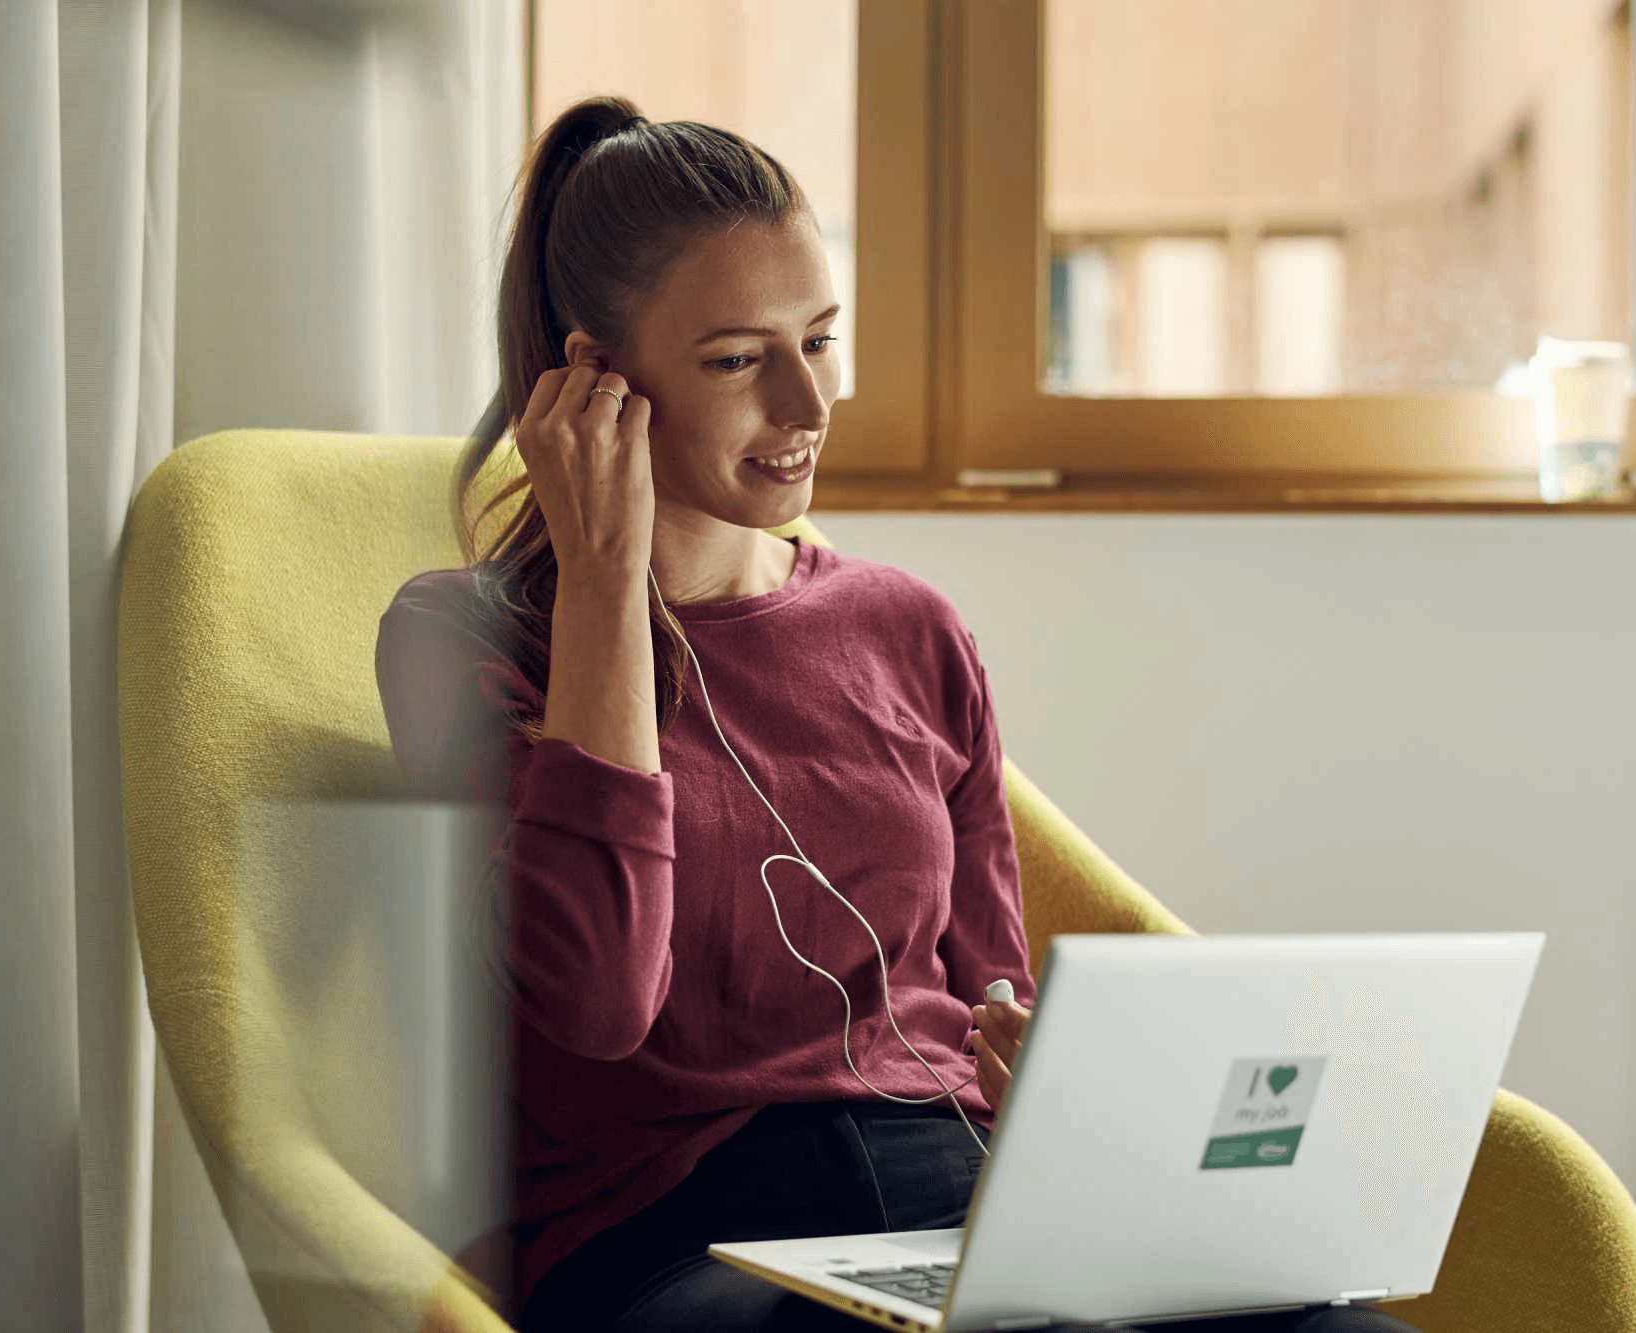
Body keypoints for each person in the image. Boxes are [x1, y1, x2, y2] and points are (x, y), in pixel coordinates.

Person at [375, 96, 1419, 1333]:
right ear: (591, 374)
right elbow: (595, 1000)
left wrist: (1066, 1095)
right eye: (734, 358)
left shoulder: (908, 628)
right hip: (672, 1240)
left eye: (818, 340)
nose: (807, 408)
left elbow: (990, 997)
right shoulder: (463, 638)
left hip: (959, 1206)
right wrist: (606, 579)